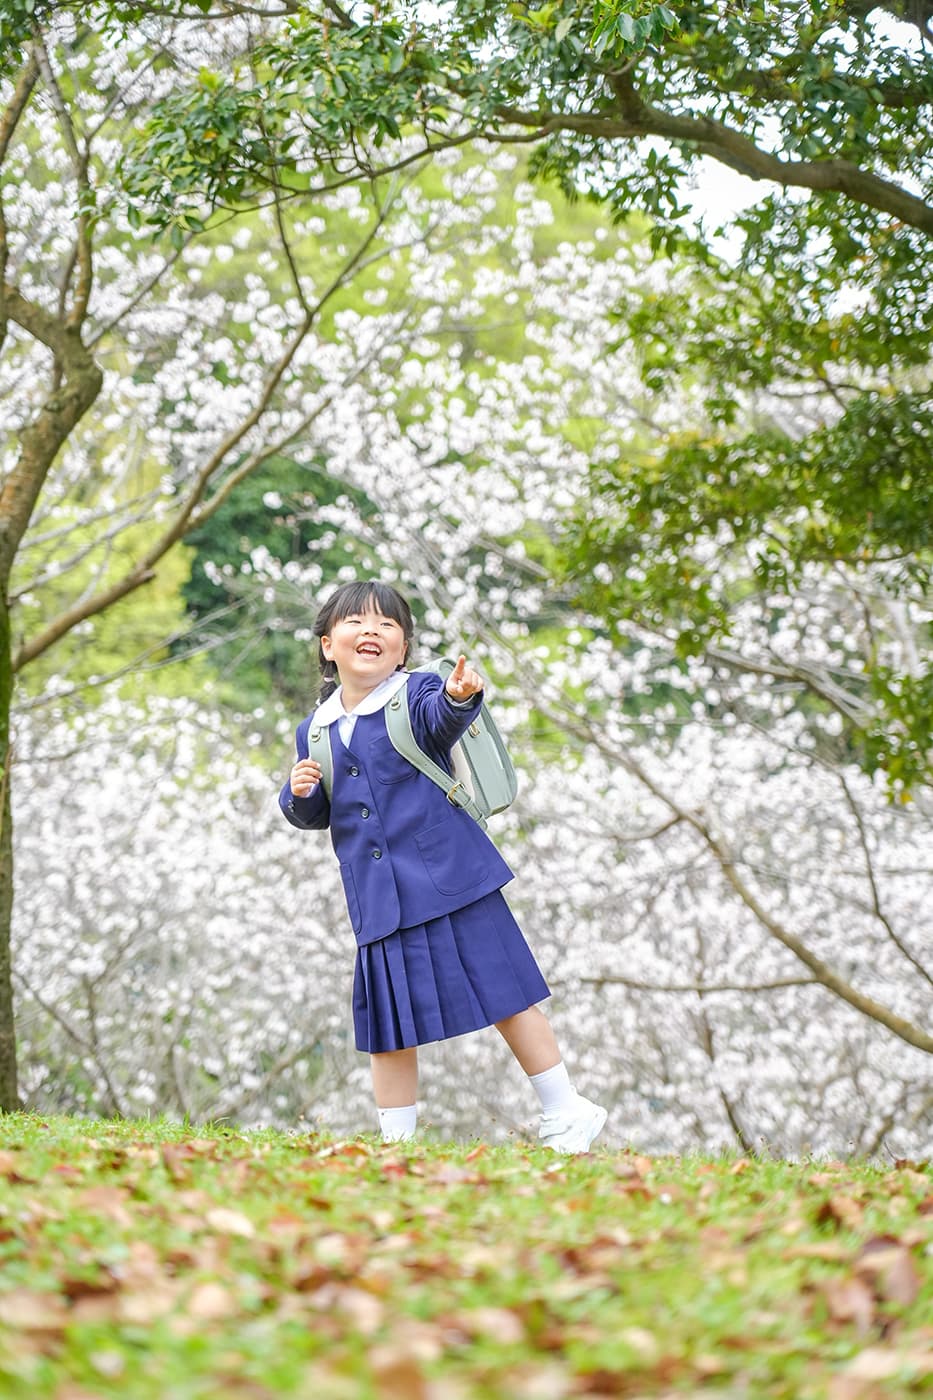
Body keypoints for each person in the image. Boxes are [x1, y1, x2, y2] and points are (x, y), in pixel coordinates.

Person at [279, 579, 607, 1153]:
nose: (372, 632)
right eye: (356, 622)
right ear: (328, 645)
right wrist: (299, 793)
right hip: (378, 896)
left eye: (388, 625)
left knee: (507, 993)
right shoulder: (317, 728)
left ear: (403, 648)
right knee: (389, 1025)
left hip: (451, 877)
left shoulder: (416, 694)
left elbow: (441, 720)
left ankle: (566, 1108)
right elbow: (319, 813)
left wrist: (458, 697)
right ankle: (396, 1144)